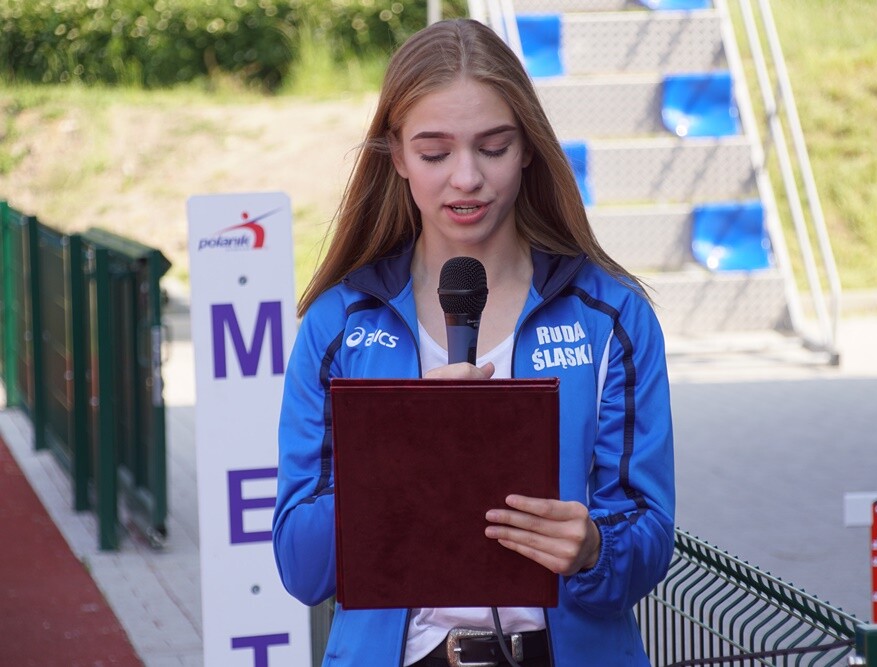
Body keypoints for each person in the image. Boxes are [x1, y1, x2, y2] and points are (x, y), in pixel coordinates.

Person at [273, 18, 675, 667]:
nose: (466, 178)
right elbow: (301, 563)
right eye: (435, 152)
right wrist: (399, 447)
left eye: (492, 146)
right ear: (397, 154)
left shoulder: (613, 317)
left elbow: (651, 536)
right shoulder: (338, 323)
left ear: (527, 150)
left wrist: (596, 548)